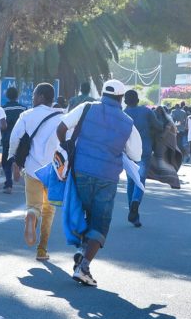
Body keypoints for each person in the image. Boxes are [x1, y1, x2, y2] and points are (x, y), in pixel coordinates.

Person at [56, 79, 142, 287]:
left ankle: (80, 249)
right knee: (100, 222)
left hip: (81, 170)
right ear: (121, 98)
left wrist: (67, 146)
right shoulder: (128, 122)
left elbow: (62, 127)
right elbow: (136, 154)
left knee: (82, 211)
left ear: (103, 93)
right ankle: (83, 266)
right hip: (107, 177)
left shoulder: (86, 108)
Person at [10, 83, 63, 261]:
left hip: (33, 170)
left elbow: (14, 138)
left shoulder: (26, 115)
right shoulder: (62, 117)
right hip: (54, 171)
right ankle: (42, 250)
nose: (32, 98)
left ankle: (31, 215)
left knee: (33, 205)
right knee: (49, 211)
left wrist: (13, 161)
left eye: (33, 95)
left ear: (40, 96)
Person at [123, 90, 161, 228]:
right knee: (140, 180)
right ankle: (135, 202)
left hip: (128, 151)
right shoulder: (146, 112)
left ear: (125, 101)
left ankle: (134, 216)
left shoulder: (122, 114)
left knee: (131, 181)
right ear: (138, 100)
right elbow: (158, 126)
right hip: (144, 150)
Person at [0, 86, 26, 195]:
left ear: (7, 96)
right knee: (21, 159)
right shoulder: (23, 109)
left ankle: (8, 184)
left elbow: (1, 126)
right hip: (21, 139)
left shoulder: (3, 109)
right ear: (17, 96)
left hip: (7, 139)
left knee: (5, 162)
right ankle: (18, 169)